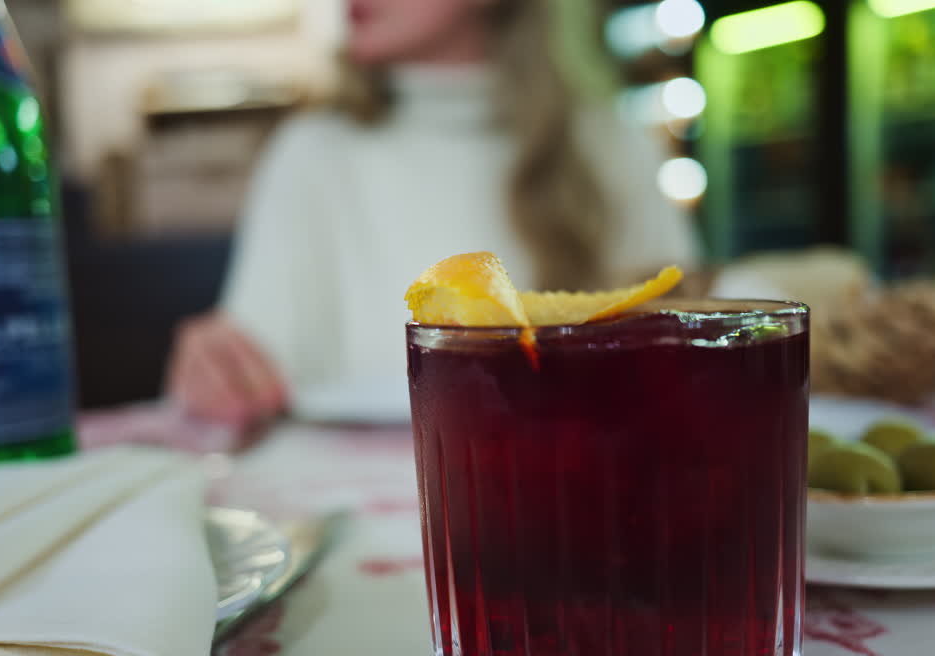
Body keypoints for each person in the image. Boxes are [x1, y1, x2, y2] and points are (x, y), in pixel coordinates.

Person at [166, 0, 699, 429]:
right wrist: (219, 372)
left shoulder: (609, 146)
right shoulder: (310, 154)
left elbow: (681, 362)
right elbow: (251, 380)